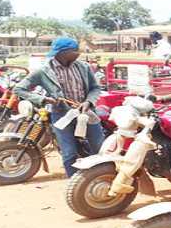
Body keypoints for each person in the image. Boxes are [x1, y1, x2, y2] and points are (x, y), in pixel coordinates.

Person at [14, 37, 104, 177]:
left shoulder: (83, 67)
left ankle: (98, 176)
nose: (78, 54)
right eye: (75, 51)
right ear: (64, 53)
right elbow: (19, 89)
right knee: (69, 152)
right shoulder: (43, 71)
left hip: (86, 113)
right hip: (62, 115)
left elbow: (95, 88)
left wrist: (88, 102)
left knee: (99, 146)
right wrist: (43, 99)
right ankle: (74, 182)